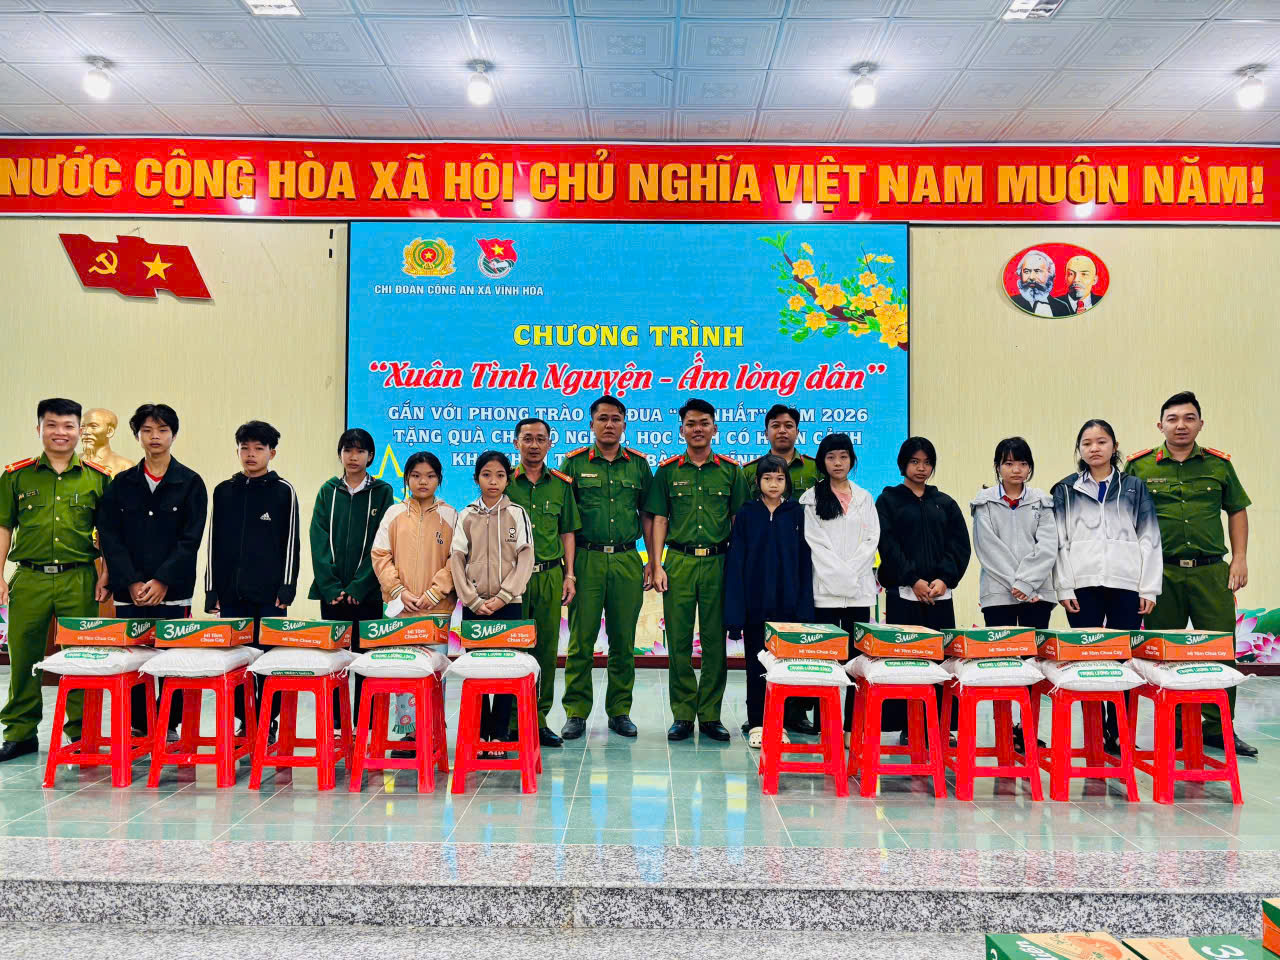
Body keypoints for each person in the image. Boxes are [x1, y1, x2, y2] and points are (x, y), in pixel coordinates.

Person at [1125, 391, 1256, 757]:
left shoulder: (1219, 465)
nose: (1180, 425)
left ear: (1200, 423)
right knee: (1163, 651)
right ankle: (1177, 726)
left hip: (1211, 572)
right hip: (1160, 574)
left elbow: (1237, 509)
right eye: (1173, 419)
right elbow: (1123, 518)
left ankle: (1217, 729)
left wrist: (1240, 558)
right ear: (1160, 425)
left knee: (1220, 650)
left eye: (1188, 418)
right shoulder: (1140, 466)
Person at [0, 399, 110, 761]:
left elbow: (108, 533)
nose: (59, 433)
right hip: (29, 578)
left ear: (79, 431)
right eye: (51, 425)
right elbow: (4, 527)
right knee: (23, 658)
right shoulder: (16, 476)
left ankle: (80, 733)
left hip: (79, 578)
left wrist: (106, 573)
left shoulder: (98, 478)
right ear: (39, 429)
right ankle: (19, 734)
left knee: (81, 659)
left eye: (67, 426)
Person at [97, 403, 208, 738]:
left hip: (173, 591)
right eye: (147, 430)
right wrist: (130, 581)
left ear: (173, 434)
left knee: (173, 659)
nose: (154, 436)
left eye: (162, 430)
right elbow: (110, 536)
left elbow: (191, 539)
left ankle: (169, 723)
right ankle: (140, 724)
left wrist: (162, 580)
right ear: (137, 436)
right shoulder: (121, 483)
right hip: (128, 590)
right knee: (135, 658)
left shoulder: (190, 482)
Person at [1052, 418, 1161, 754]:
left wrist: (1148, 588)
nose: (1094, 448)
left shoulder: (1134, 487)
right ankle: (1095, 731)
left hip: (1126, 584)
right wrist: (1064, 588)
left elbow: (1149, 537)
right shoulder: (1065, 489)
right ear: (1079, 449)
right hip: (1081, 585)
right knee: (1088, 659)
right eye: (1087, 443)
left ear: (1114, 446)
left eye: (1101, 442)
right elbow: (1058, 542)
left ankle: (1120, 731)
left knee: (1122, 659)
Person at [645, 398, 748, 742]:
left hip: (719, 562)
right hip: (680, 562)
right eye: (691, 424)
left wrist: (737, 571)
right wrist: (656, 564)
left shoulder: (731, 471)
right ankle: (683, 714)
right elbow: (660, 520)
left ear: (715, 428)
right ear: (682, 430)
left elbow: (738, 523)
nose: (698, 429)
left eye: (704, 423)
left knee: (715, 642)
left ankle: (711, 715)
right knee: (678, 641)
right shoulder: (668, 471)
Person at [559, 395, 653, 740]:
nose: (609, 424)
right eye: (603, 419)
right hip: (587, 559)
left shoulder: (638, 465)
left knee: (623, 642)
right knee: (580, 642)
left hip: (627, 559)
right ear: (592, 424)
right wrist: (568, 570)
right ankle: (576, 712)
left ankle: (620, 711)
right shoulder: (573, 464)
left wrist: (652, 561)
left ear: (624, 424)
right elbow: (566, 522)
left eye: (615, 419)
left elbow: (649, 516)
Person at [205, 420, 300, 738]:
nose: (251, 454)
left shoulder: (283, 491)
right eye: (244, 448)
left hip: (270, 596)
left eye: (259, 448)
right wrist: (211, 590)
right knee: (236, 660)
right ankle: (245, 720)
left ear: (272, 453)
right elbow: (213, 543)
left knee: (269, 660)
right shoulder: (223, 491)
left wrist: (287, 588)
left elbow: (291, 543)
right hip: (231, 595)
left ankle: (268, 720)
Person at [875, 437, 971, 737]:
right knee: (907, 662)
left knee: (941, 661)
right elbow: (887, 544)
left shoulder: (945, 503)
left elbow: (960, 546)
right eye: (915, 462)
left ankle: (942, 727)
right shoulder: (888, 500)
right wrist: (912, 579)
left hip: (940, 596)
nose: (921, 468)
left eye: (927, 462)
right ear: (903, 464)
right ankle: (909, 726)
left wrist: (944, 579)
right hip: (904, 595)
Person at [725, 455, 814, 749]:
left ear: (787, 482)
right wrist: (735, 615)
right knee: (756, 668)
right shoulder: (747, 514)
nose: (773, 484)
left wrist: (804, 610)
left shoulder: (796, 514)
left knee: (783, 669)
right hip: (755, 608)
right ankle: (757, 724)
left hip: (788, 609)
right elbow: (736, 563)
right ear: (757, 482)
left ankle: (779, 724)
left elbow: (804, 562)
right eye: (767, 478)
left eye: (779, 478)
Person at [371, 451, 456, 752]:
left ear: (439, 480)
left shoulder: (450, 515)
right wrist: (399, 591)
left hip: (437, 611)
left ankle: (433, 731)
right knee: (404, 673)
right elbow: (380, 555)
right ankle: (409, 735)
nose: (423, 482)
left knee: (434, 673)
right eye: (416, 476)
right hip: (401, 610)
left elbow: (456, 559)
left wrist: (435, 592)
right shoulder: (394, 514)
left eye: (430, 476)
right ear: (406, 479)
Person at [310, 428, 394, 733]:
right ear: (340, 454)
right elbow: (318, 539)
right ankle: (336, 723)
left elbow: (383, 543)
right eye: (348, 450)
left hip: (367, 594)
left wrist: (360, 586)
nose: (353, 456)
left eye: (360, 451)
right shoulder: (328, 491)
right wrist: (331, 587)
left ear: (370, 456)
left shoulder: (382, 492)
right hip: (331, 594)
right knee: (335, 659)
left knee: (365, 660)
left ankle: (365, 724)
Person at [450, 451, 533, 756]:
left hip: (509, 605)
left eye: (499, 475)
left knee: (505, 670)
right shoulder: (466, 515)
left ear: (507, 479)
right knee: (477, 671)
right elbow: (456, 559)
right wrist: (471, 599)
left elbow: (526, 558)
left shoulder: (517, 514)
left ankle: (499, 734)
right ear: (476, 478)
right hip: (474, 607)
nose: (493, 481)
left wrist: (503, 596)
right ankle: (481, 734)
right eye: (486, 475)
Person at [507, 417, 580, 748]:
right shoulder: (504, 483)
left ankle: (538, 719)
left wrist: (569, 574)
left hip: (550, 574)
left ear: (550, 443)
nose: (534, 445)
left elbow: (567, 532)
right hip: (512, 579)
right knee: (512, 647)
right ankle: (511, 721)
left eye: (540, 439)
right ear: (516, 443)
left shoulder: (561, 485)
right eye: (527, 439)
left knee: (546, 649)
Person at [800, 433, 879, 736]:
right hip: (825, 593)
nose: (837, 463)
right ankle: (827, 727)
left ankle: (850, 728)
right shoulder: (811, 498)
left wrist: (849, 574)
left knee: (856, 662)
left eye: (843, 457)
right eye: (831, 457)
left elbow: (871, 540)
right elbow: (816, 544)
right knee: (827, 662)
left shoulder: (865, 497)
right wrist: (841, 576)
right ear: (823, 462)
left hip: (858, 593)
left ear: (852, 460)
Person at [970, 437, 1057, 629]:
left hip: (1038, 592)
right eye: (1009, 464)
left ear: (1030, 467)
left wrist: (1027, 583)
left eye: (1023, 464)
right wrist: (1019, 585)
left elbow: (1048, 547)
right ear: (997, 466)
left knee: (1035, 648)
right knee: (1001, 648)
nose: (1016, 470)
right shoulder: (984, 502)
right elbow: (988, 549)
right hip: (998, 592)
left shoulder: (1042, 500)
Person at [742, 403, 819, 500]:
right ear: (766, 434)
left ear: (797, 433)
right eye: (776, 426)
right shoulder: (750, 470)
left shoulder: (816, 467)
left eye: (788, 426)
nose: (782, 430)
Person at [1009, 249, 1070, 317]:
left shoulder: (1062, 307)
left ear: (1049, 274)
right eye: (1026, 271)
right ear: (1020, 274)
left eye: (1037, 271)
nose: (1031, 277)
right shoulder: (1012, 302)